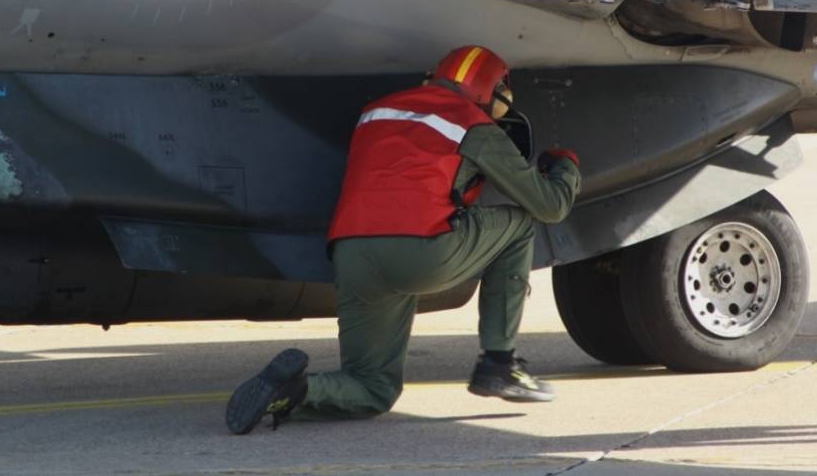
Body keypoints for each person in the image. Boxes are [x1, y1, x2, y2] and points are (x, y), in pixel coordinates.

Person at [225, 46, 581, 434]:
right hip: (420, 250)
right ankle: (499, 363)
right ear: (487, 90)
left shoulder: (377, 111)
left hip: (353, 252)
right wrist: (565, 168)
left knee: (373, 387)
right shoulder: (473, 124)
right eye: (501, 101)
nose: (500, 112)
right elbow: (550, 206)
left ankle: (291, 390)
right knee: (519, 227)